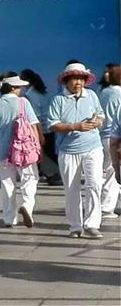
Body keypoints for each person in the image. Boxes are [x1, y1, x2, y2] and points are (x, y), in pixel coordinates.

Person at [47, 62, 105, 238]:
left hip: (93, 147)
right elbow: (53, 125)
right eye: (74, 79)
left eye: (81, 78)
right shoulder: (58, 99)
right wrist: (75, 126)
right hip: (68, 150)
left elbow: (100, 115)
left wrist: (97, 121)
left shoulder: (92, 95)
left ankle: (92, 224)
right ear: (67, 81)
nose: (78, 82)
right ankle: (75, 226)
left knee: (95, 184)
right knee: (71, 189)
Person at [0, 75, 40, 228]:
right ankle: (27, 205)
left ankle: (9, 218)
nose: (20, 89)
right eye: (18, 87)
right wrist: (37, 146)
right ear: (12, 88)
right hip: (24, 150)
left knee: (7, 183)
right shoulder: (23, 102)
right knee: (30, 178)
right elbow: (33, 126)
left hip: (3, 150)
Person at [20, 68, 61, 186]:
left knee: (41, 152)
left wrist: (39, 134)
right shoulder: (43, 92)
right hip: (48, 126)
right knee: (50, 152)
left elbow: (35, 117)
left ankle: (40, 174)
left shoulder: (29, 95)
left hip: (40, 128)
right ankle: (43, 173)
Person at [99, 65, 121, 218]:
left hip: (103, 134)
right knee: (112, 172)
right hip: (116, 136)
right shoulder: (119, 93)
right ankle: (107, 207)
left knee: (109, 169)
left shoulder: (104, 92)